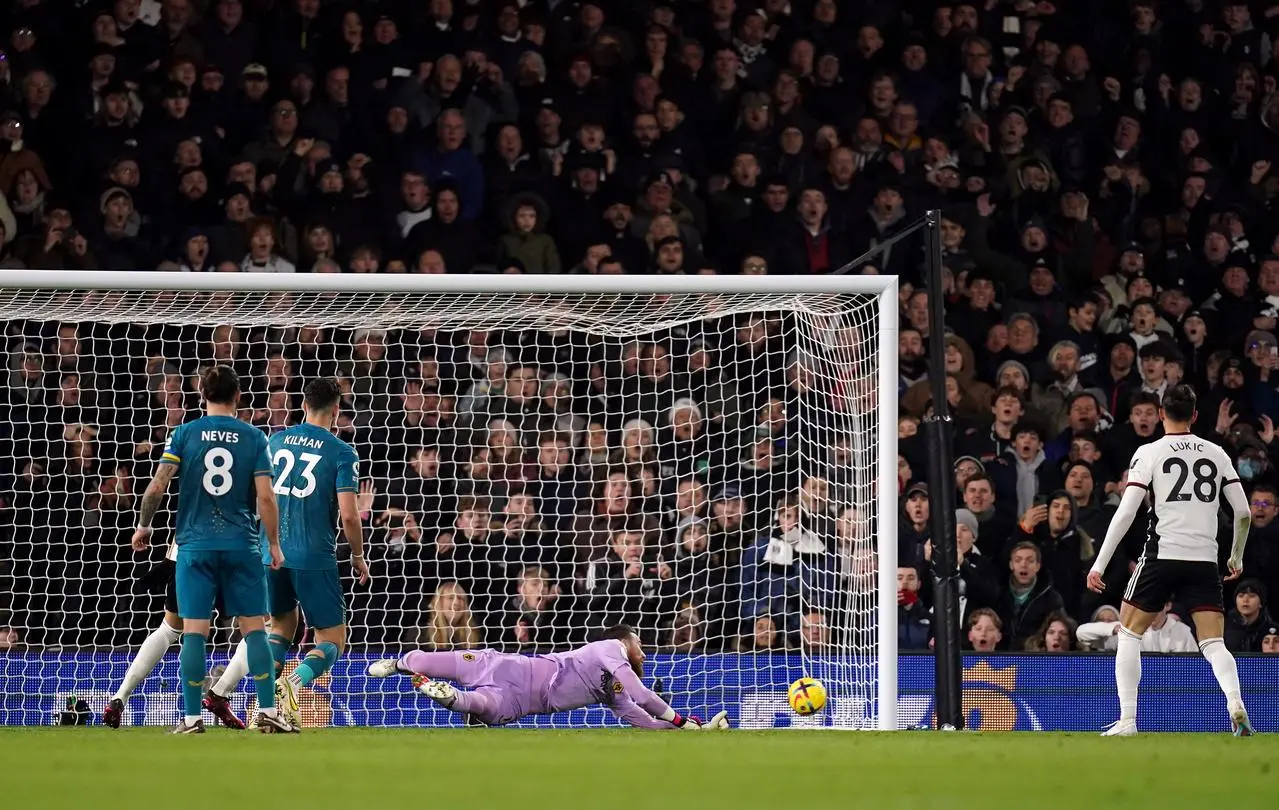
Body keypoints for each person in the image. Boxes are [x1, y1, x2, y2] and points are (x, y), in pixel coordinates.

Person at [129, 364, 294, 734]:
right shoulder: (254, 437)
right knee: (254, 631)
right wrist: (273, 543)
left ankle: (190, 720)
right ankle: (267, 712)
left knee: (193, 633)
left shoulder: (184, 434)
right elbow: (266, 497)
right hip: (241, 547)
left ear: (202, 394)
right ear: (238, 396)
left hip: (194, 548)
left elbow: (157, 486)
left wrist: (144, 525)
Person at [1087, 384, 1253, 737]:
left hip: (1162, 555)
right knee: (1213, 643)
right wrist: (1235, 556)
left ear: (1161, 414)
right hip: (1205, 560)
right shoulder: (1217, 453)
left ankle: (1128, 720)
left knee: (1130, 633)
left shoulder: (1149, 452)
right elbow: (1243, 511)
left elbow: (1127, 511)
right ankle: (1235, 704)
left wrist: (1099, 563)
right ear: (1195, 415)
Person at [204, 378, 370, 728]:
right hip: (313, 556)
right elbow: (350, 514)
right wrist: (357, 554)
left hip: (269, 551)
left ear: (303, 405)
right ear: (337, 409)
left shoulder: (275, 440)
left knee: (281, 625)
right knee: (332, 637)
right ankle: (291, 686)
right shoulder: (342, 451)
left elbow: (256, 496)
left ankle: (268, 711)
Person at [367, 624, 729, 730]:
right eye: (640, 643)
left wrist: (684, 733)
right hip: (509, 667)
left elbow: (639, 716)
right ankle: (399, 665)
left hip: (522, 701)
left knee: (481, 708)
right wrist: (682, 721)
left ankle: (448, 697)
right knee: (431, 659)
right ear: (625, 641)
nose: (644, 652)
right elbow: (642, 694)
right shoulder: (608, 648)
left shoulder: (613, 688)